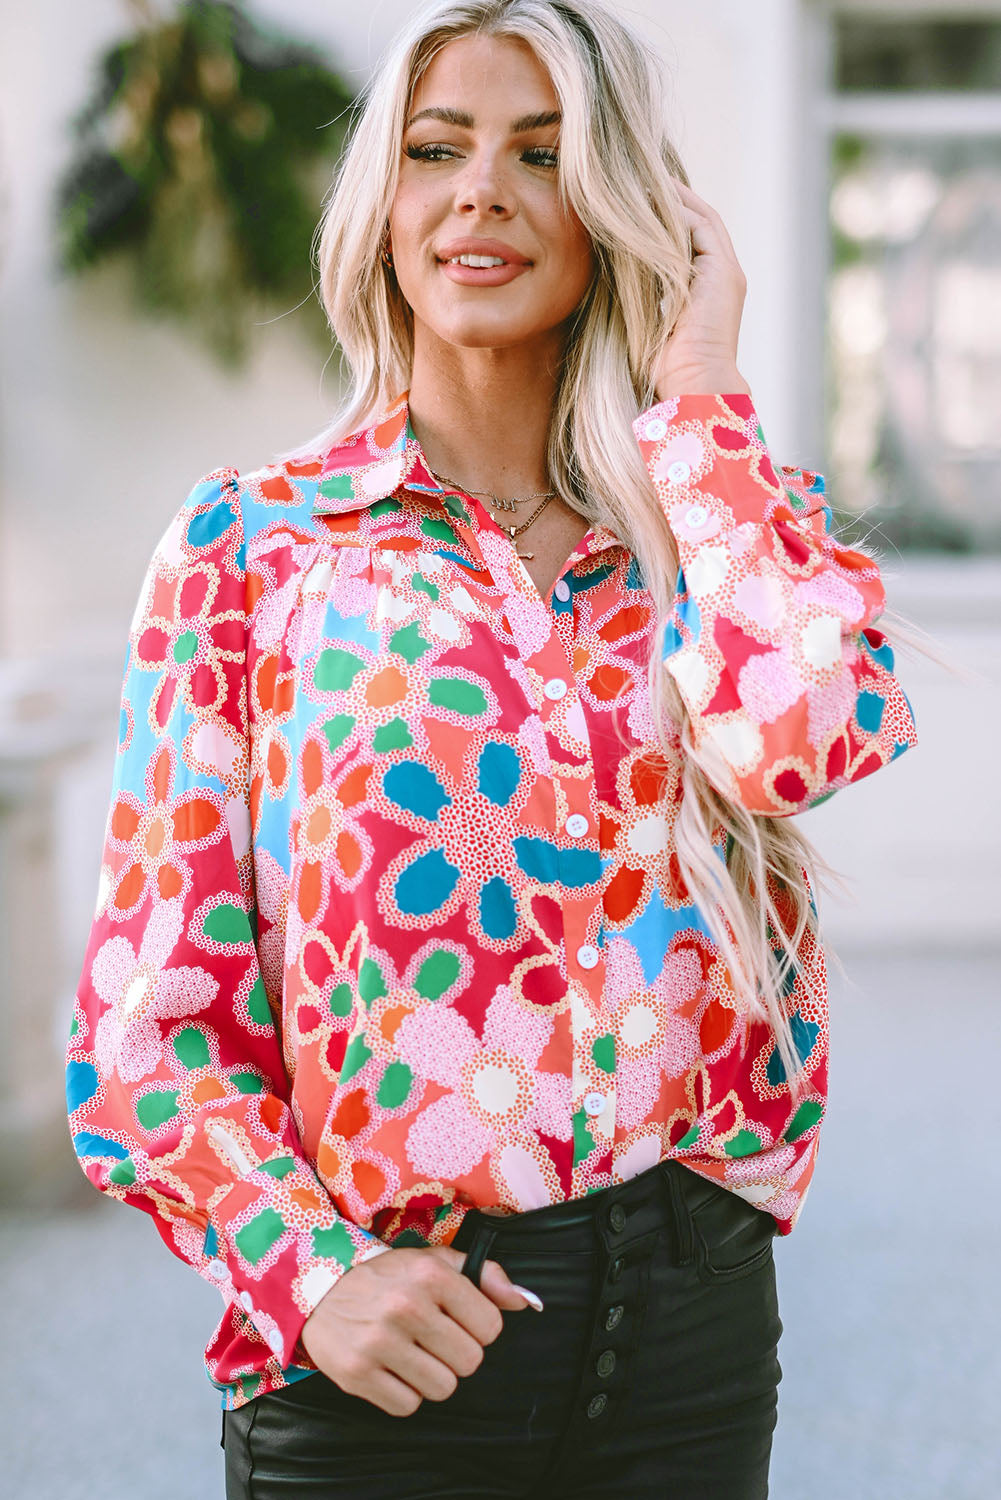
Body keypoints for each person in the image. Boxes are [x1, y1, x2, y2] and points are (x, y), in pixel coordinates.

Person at [65, 1, 917, 1495]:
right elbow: (148, 1024)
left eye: (542, 152)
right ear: (381, 210)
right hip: (383, 1352)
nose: (480, 192)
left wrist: (700, 389)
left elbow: (801, 745)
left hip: (690, 1329)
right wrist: (310, 1275)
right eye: (434, 149)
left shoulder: (709, 531)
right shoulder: (249, 547)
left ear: (611, 210)